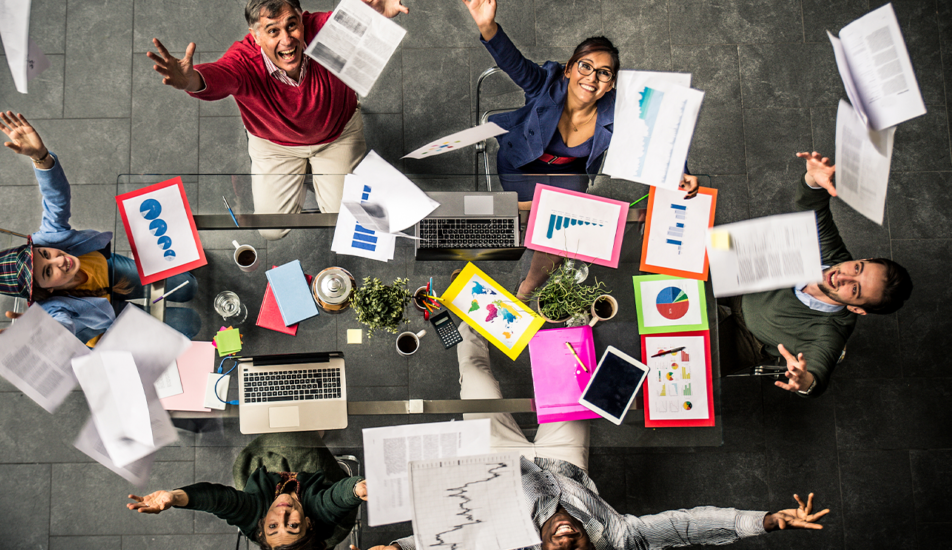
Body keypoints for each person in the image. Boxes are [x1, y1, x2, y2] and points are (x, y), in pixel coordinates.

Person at [369, 323, 831, 550]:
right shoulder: (618, 537)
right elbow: (687, 527)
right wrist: (764, 521)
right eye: (581, 549)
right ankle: (553, 307)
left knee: (474, 376)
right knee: (571, 363)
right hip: (564, 458)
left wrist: (396, 548)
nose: (568, 540)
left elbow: (448, 540)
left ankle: (468, 314)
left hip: (496, 461)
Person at [461, 0, 701, 300]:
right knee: (527, 224)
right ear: (569, 69)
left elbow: (658, 134)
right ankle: (508, 267)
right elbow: (515, 63)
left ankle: (525, 290)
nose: (592, 78)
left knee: (560, 237)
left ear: (610, 84)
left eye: (604, 73)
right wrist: (487, 26)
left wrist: (681, 171)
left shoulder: (618, 108)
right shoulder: (545, 83)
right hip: (522, 165)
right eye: (585, 66)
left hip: (569, 173)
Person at [147, 0, 408, 241]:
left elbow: (352, 19)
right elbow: (218, 75)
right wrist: (190, 80)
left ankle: (312, 179)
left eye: (292, 25)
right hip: (275, 146)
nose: (287, 40)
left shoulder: (322, 30)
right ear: (255, 36)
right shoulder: (243, 61)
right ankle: (305, 181)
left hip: (337, 135)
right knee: (271, 230)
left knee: (345, 220)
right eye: (273, 31)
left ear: (302, 19)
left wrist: (372, 14)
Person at [0, 112, 201, 343]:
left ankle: (161, 273)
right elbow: (62, 325)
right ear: (46, 291)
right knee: (190, 323)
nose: (58, 260)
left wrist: (41, 157)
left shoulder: (48, 237)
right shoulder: (51, 308)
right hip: (108, 322)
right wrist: (46, 335)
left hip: (109, 270)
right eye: (48, 272)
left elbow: (56, 200)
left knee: (189, 286)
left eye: (46, 254)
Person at [720, 151, 912, 398]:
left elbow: (817, 376)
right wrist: (814, 180)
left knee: (678, 356)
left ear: (856, 309)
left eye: (854, 289)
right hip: (740, 283)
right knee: (672, 279)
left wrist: (804, 381)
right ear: (863, 260)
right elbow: (813, 208)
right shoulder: (834, 255)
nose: (842, 276)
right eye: (857, 268)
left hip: (747, 340)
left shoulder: (832, 330)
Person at [127, 432, 367, 550]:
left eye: (273, 526)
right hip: (323, 535)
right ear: (308, 522)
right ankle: (313, 435)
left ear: (262, 527)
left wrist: (174, 497)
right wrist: (357, 489)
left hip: (271, 494)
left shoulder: (254, 515)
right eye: (293, 525)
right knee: (310, 451)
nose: (282, 515)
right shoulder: (319, 515)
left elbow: (219, 501)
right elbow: (335, 499)